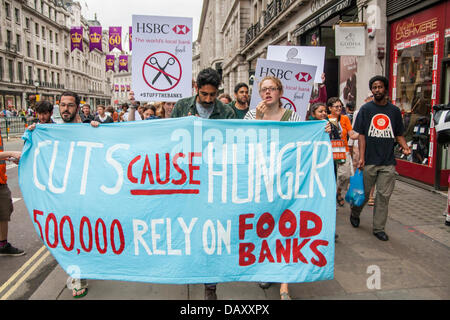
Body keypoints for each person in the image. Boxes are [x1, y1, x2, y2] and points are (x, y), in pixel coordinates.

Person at [172, 68, 234, 300]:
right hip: (187, 180)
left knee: (212, 232)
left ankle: (211, 286)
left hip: (215, 181)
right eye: (204, 94)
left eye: (213, 95)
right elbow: (170, 139)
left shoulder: (226, 111)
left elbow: (232, 145)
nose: (208, 100)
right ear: (196, 89)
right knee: (188, 227)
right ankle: (188, 265)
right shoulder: (181, 107)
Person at [244, 76, 301, 300]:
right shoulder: (252, 114)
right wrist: (257, 119)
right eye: (264, 89)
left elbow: (304, 139)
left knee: (286, 224)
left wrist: (323, 127)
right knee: (264, 225)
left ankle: (284, 283)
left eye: (272, 89)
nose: (268, 93)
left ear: (280, 92)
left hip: (285, 177)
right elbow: (245, 143)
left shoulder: (292, 116)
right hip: (260, 179)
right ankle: (267, 268)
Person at [350, 76, 411, 241]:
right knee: (362, 195)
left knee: (383, 197)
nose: (377, 90)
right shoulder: (366, 110)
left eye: (380, 87)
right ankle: (355, 213)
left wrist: (405, 147)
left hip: (388, 162)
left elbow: (399, 134)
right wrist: (361, 157)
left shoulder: (394, 111)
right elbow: (361, 135)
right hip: (369, 160)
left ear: (386, 89)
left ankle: (379, 228)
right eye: (374, 87)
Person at [327, 97, 358, 207]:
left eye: (340, 106)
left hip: (343, 151)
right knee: (331, 175)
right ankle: (332, 197)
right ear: (330, 108)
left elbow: (351, 134)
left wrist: (361, 133)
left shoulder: (345, 119)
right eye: (336, 106)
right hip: (329, 152)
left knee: (345, 175)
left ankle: (338, 192)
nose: (339, 108)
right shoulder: (326, 118)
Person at [0, 132, 24, 257]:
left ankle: (2, 245)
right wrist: (11, 153)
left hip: (1, 180)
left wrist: (8, 159)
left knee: (5, 211)